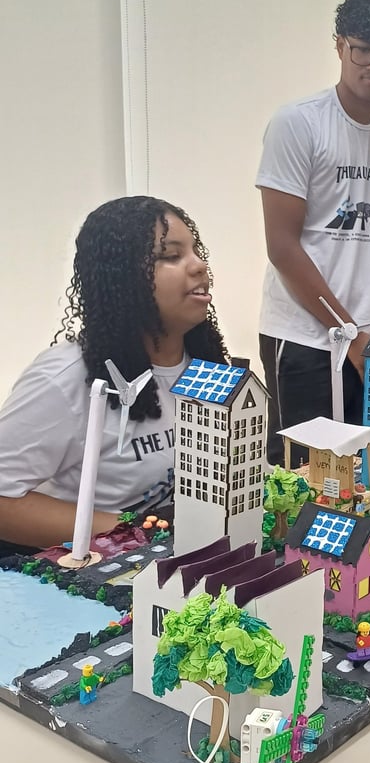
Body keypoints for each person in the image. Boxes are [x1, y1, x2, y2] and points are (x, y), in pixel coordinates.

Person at [0, 196, 228, 553]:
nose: (200, 265)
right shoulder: (64, 378)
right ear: (123, 279)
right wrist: (130, 533)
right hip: (95, 569)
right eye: (171, 255)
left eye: (196, 251)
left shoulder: (206, 364)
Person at [257, 0, 370, 466]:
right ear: (339, 45)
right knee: (304, 478)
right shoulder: (298, 124)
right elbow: (281, 246)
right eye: (362, 50)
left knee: (366, 474)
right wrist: (350, 336)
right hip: (305, 337)